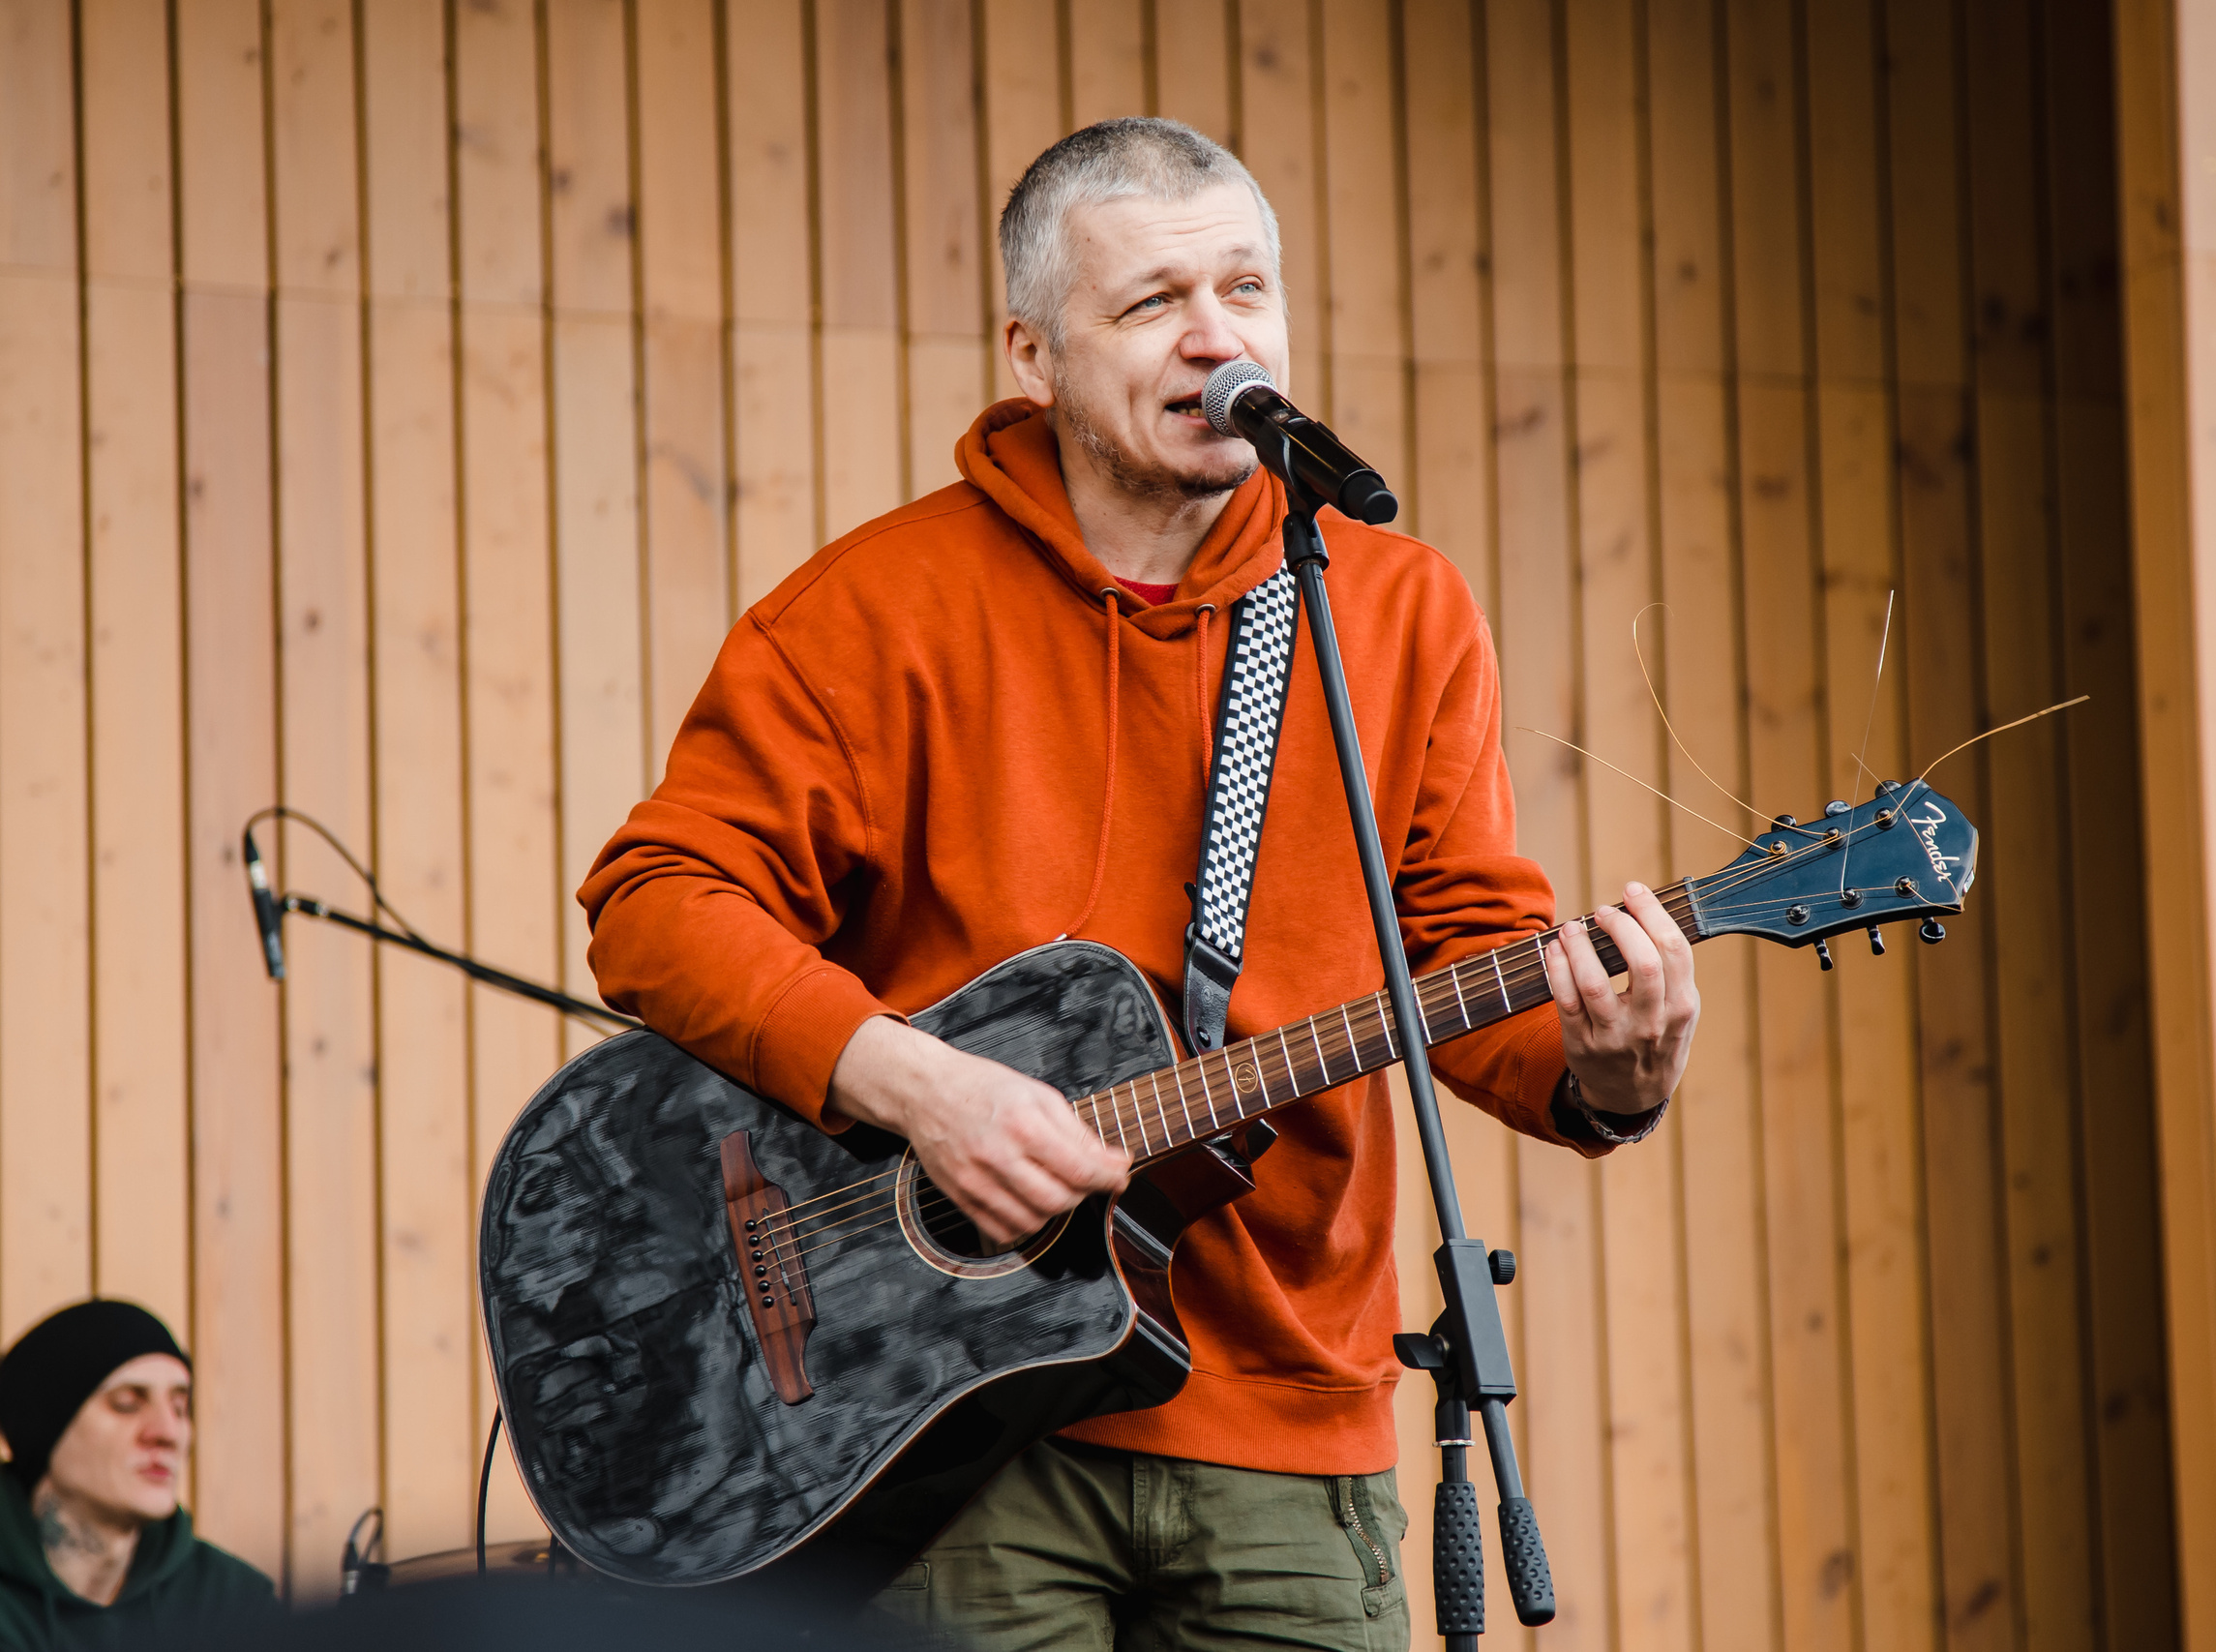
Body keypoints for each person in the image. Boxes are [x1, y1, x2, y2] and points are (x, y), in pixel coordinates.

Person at [581, 117, 1698, 1648]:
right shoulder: (875, 608)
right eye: (1153, 302)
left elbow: (1464, 952)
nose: (1216, 335)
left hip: (1294, 1410)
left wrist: (1605, 1070)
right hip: (946, 1417)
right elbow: (656, 895)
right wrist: (919, 1088)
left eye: (1247, 287)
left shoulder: (1395, 605)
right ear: (1032, 352)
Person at [0, 1301, 277, 1649]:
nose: (167, 1432)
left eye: (180, 1408)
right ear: (44, 1429)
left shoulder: (232, 1601)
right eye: (127, 1403)